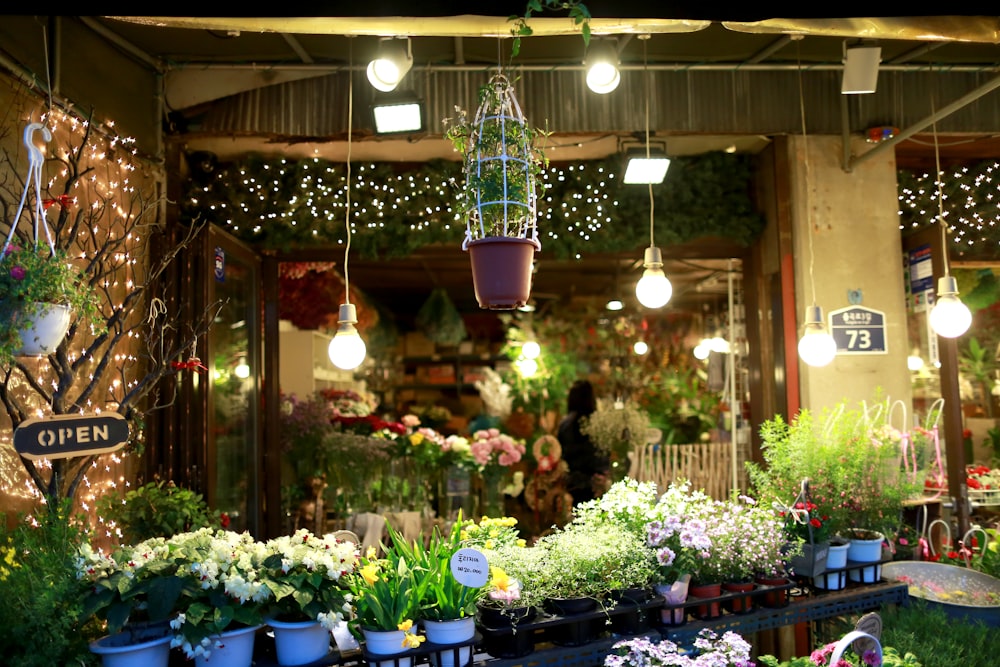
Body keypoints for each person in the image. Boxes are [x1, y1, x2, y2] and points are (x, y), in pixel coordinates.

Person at [557, 379, 610, 505]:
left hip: (572, 484)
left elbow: (561, 453)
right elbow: (604, 454)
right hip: (596, 484)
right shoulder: (599, 423)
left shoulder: (565, 424)